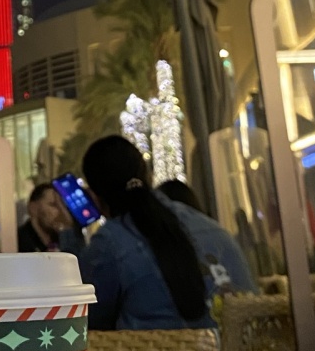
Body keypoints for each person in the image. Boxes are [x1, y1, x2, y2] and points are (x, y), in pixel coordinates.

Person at [62, 137, 256, 330]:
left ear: (94, 197)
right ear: (149, 176)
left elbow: (82, 322)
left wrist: (70, 232)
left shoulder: (110, 243)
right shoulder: (208, 225)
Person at [17, 182, 69, 253]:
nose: (60, 211)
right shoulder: (19, 242)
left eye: (62, 206)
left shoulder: (62, 241)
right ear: (33, 208)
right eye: (53, 205)